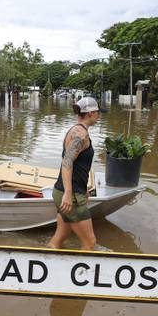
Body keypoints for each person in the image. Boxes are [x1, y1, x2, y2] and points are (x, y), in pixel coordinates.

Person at [48, 97, 100, 250]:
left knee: (59, 238)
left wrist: (83, 189)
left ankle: (47, 258)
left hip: (65, 191)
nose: (99, 115)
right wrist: (69, 193)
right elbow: (67, 162)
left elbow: (78, 165)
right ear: (90, 113)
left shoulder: (76, 130)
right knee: (90, 243)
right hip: (70, 196)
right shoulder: (80, 135)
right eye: (97, 112)